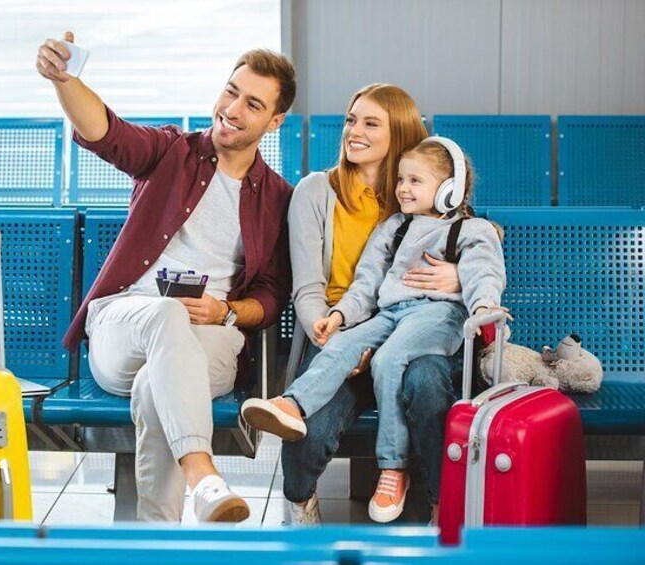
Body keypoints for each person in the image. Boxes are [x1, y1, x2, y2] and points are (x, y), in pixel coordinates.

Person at [36, 33, 296, 523]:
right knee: (165, 313)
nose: (233, 108)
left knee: (158, 383)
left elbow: (271, 295)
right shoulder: (171, 151)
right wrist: (66, 81)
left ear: (274, 121)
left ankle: (160, 539)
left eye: (253, 103)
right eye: (231, 90)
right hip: (126, 325)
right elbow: (107, 132)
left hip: (208, 342)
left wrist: (228, 311)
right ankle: (203, 474)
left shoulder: (277, 199)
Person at [243, 135, 507, 523]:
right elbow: (366, 284)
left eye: (415, 181)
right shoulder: (394, 228)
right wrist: (341, 317)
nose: (403, 188)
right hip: (390, 313)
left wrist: (483, 304)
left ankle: (393, 467)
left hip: (438, 316)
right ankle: (291, 405)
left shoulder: (471, 229)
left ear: (450, 190)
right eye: (401, 179)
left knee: (390, 358)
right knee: (342, 345)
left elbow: (484, 270)